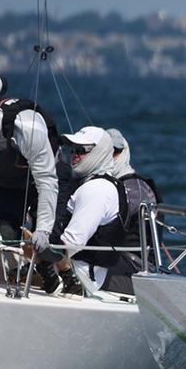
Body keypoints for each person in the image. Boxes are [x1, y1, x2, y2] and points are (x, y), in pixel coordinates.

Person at [51, 126, 156, 295]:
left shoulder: (99, 188)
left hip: (101, 271)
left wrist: (41, 256)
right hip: (86, 265)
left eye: (81, 150)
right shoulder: (88, 183)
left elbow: (72, 242)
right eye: (73, 149)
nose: (75, 155)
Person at [0, 73, 60, 267]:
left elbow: (47, 180)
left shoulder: (27, 126)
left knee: (42, 238)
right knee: (6, 234)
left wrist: (43, 230)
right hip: (4, 177)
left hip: (40, 177)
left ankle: (54, 273)